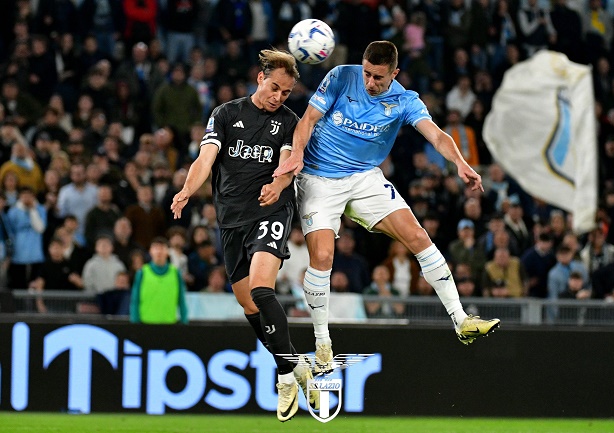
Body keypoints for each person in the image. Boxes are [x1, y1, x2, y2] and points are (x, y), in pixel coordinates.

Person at [274, 40, 500, 371]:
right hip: (319, 177)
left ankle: (461, 319)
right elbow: (307, 120)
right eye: (366, 73)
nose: (369, 82)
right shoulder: (341, 77)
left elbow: (438, 136)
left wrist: (460, 163)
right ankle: (322, 343)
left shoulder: (405, 101)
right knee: (322, 257)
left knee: (419, 237)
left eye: (378, 77)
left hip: (364, 177)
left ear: (394, 74)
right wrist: (296, 154)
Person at [170, 49, 318, 422]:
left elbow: (289, 164)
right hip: (231, 221)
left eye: (286, 92)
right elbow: (205, 159)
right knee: (249, 305)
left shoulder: (288, 121)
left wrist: (277, 185)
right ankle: (294, 365)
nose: (279, 97)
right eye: (274, 88)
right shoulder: (225, 114)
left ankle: (285, 377)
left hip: (271, 211)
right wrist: (187, 190)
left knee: (261, 290)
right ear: (260, 78)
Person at [130, 237, 188, 324]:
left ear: (168, 252)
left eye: (162, 248)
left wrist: (184, 321)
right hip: (146, 324)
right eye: (155, 248)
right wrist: (135, 322)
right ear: (150, 251)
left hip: (169, 324)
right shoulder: (142, 273)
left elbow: (181, 299)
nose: (159, 252)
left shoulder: (175, 273)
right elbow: (135, 299)